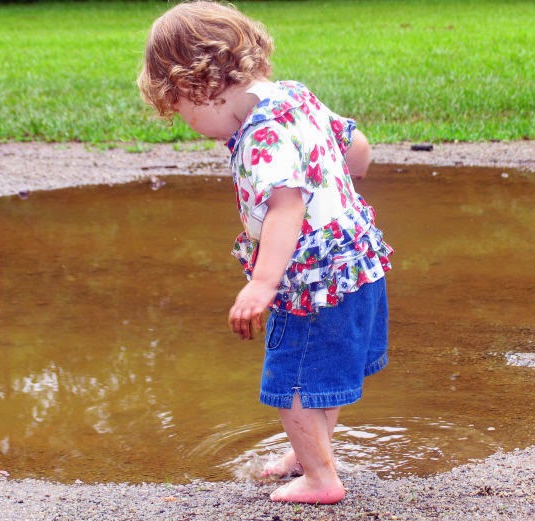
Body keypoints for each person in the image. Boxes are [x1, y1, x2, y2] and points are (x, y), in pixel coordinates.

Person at [137, 0, 393, 505]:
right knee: (321, 371)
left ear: (196, 88)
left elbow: (285, 208)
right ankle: (309, 455)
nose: (190, 125)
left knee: (291, 380)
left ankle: (322, 480)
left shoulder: (259, 138)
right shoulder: (292, 96)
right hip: (358, 266)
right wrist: (355, 169)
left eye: (183, 114)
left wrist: (263, 282)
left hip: (311, 280)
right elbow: (354, 144)